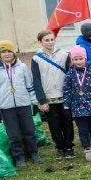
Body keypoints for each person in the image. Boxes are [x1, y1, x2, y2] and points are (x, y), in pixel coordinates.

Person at [0, 40, 41, 167]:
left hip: (24, 105)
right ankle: (19, 157)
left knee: (29, 131)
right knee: (14, 134)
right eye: (3, 51)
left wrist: (33, 103)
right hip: (6, 107)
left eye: (9, 51)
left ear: (14, 53)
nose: (7, 54)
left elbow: (29, 86)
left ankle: (34, 153)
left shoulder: (22, 67)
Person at [32, 30, 74, 159]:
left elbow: (70, 75)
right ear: (41, 42)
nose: (50, 42)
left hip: (64, 96)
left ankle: (69, 146)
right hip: (49, 98)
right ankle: (60, 148)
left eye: (52, 39)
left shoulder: (64, 54)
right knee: (54, 125)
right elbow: (36, 80)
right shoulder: (36, 59)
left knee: (67, 122)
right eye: (46, 40)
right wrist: (41, 100)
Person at [63, 46, 91, 162]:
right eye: (75, 59)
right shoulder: (69, 74)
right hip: (78, 109)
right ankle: (87, 148)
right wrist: (66, 107)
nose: (78, 62)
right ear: (72, 60)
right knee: (83, 130)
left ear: (85, 59)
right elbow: (66, 91)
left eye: (80, 59)